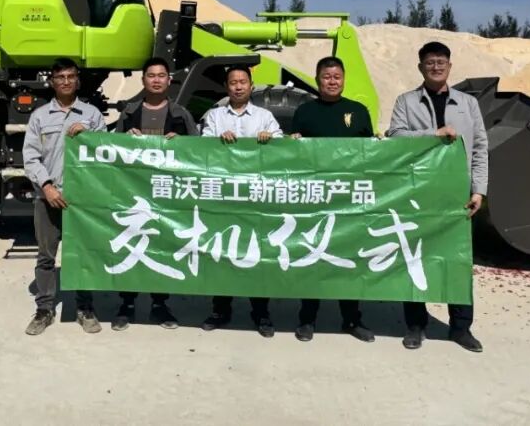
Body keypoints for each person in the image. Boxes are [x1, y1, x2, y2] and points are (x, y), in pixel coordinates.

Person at [387, 41, 488, 353]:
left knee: (457, 261)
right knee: (414, 257)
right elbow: (395, 136)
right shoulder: (406, 101)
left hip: (458, 197)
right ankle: (415, 325)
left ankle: (461, 327)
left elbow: (480, 147)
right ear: (420, 67)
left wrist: (479, 190)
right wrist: (433, 134)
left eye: (441, 61)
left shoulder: (468, 104)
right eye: (429, 62)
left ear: (449, 66)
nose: (435, 67)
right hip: (418, 193)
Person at [288, 56, 376, 344]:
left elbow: (371, 154)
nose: (332, 81)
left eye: (337, 76)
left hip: (349, 199)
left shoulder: (358, 111)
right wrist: (293, 141)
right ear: (317, 80)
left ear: (344, 79)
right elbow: (294, 153)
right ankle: (307, 319)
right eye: (326, 77)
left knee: (349, 258)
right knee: (313, 257)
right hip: (315, 199)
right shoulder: (305, 111)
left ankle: (351, 319)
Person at [22, 57, 108, 336]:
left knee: (82, 254)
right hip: (48, 197)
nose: (66, 81)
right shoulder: (39, 116)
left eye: (71, 76)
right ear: (52, 82)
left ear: (78, 81)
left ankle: (85, 308)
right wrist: (47, 186)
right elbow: (30, 156)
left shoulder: (92, 114)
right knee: (46, 256)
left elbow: (107, 150)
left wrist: (90, 134)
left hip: (81, 200)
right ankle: (44, 309)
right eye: (60, 77)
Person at [111, 56, 198, 330]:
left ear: (169, 80)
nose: (156, 80)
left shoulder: (181, 114)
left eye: (161, 75)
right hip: (134, 194)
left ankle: (160, 304)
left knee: (162, 248)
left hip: (166, 195)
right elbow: (111, 149)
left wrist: (182, 143)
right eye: (151, 75)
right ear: (143, 80)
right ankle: (127, 304)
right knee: (132, 246)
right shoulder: (129, 113)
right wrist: (125, 139)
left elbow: (199, 152)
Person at [198, 64, 282, 337]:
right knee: (222, 253)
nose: (238, 87)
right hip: (224, 196)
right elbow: (201, 148)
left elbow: (284, 148)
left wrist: (271, 139)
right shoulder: (214, 116)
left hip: (256, 198)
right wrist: (217, 140)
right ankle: (220, 309)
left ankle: (261, 312)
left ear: (251, 85)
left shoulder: (265, 117)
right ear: (226, 87)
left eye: (243, 82)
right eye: (233, 82)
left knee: (258, 254)